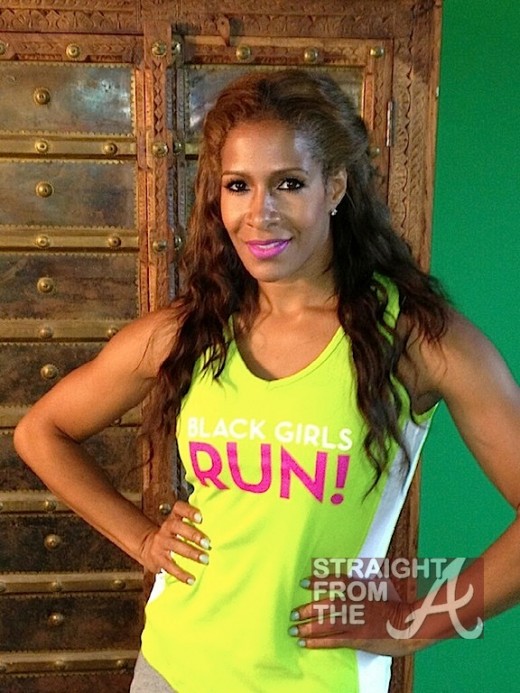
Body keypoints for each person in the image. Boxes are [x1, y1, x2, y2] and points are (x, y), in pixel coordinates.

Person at [14, 69, 520, 693]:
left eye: (289, 183)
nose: (260, 213)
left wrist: (415, 623)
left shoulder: (416, 340)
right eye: (239, 186)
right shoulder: (191, 331)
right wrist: (142, 540)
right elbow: (42, 432)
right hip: (174, 665)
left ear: (335, 188)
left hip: (318, 678)